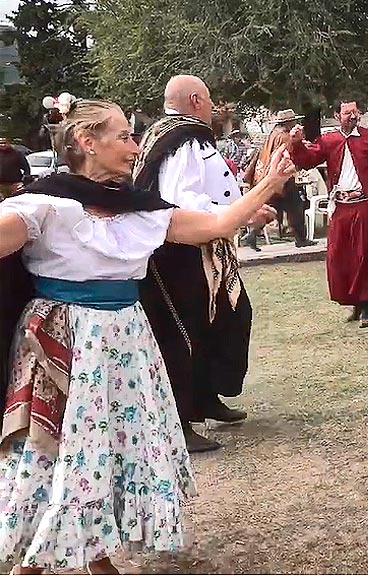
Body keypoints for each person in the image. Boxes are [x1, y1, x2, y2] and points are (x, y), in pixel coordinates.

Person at [0, 98, 293, 573]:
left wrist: (267, 185)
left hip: (127, 338)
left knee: (113, 444)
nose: (136, 147)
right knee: (62, 443)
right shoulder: (43, 204)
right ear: (86, 142)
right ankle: (34, 561)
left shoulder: (140, 209)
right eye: (124, 136)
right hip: (65, 341)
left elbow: (216, 224)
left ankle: (97, 553)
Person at [133, 75, 275, 453]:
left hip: (202, 242)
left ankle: (208, 394)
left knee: (230, 314)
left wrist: (239, 209)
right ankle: (179, 418)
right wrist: (237, 216)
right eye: (210, 100)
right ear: (196, 100)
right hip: (182, 248)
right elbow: (184, 201)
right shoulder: (185, 138)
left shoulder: (163, 133)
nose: (213, 107)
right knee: (183, 332)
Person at [289, 98, 368, 327]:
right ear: (337, 116)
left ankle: (367, 307)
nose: (352, 116)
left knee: (365, 254)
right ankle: (354, 302)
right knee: (341, 256)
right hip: (340, 207)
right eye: (347, 113)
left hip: (364, 204)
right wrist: (296, 144)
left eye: (355, 112)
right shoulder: (329, 140)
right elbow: (307, 160)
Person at [245, 109, 315, 249]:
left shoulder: (271, 136)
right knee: (296, 206)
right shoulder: (285, 137)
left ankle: (253, 233)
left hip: (268, 177)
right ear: (289, 123)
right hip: (282, 177)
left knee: (273, 207)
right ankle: (300, 238)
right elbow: (290, 155)